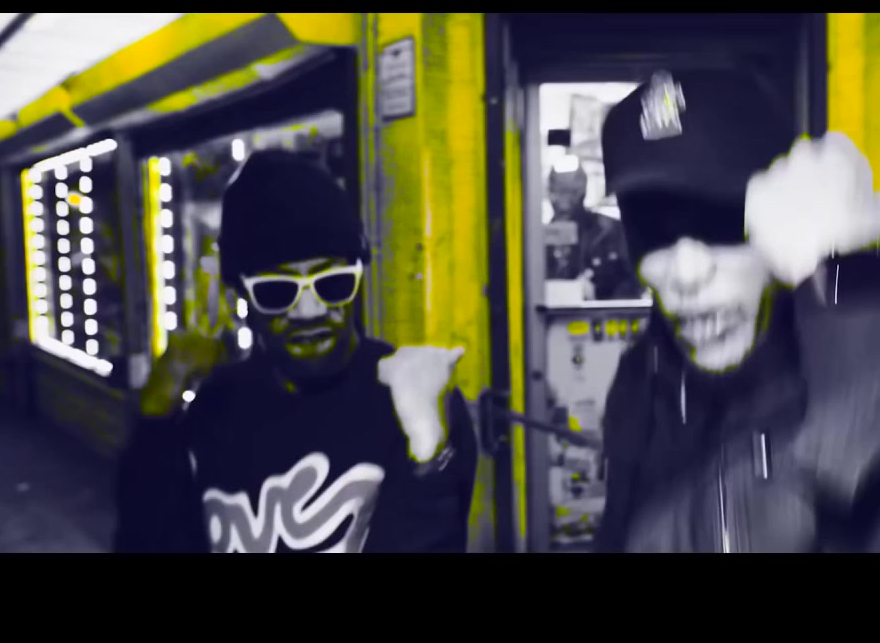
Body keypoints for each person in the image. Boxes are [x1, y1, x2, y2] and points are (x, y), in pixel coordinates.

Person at [594, 69, 880, 553]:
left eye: (720, 223)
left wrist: (849, 286)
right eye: (652, 233)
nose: (686, 274)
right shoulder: (644, 381)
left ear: (788, 222)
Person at [113, 150, 477, 553]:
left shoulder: (407, 398)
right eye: (277, 291)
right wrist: (156, 420)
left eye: (333, 283)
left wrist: (427, 449)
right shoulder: (217, 402)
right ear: (241, 293)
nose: (310, 311)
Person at [545, 164, 643, 300]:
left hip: (603, 311)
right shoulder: (537, 239)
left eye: (571, 193)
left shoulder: (609, 231)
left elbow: (634, 282)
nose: (564, 201)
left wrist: (597, 296)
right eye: (559, 192)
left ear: (582, 192)